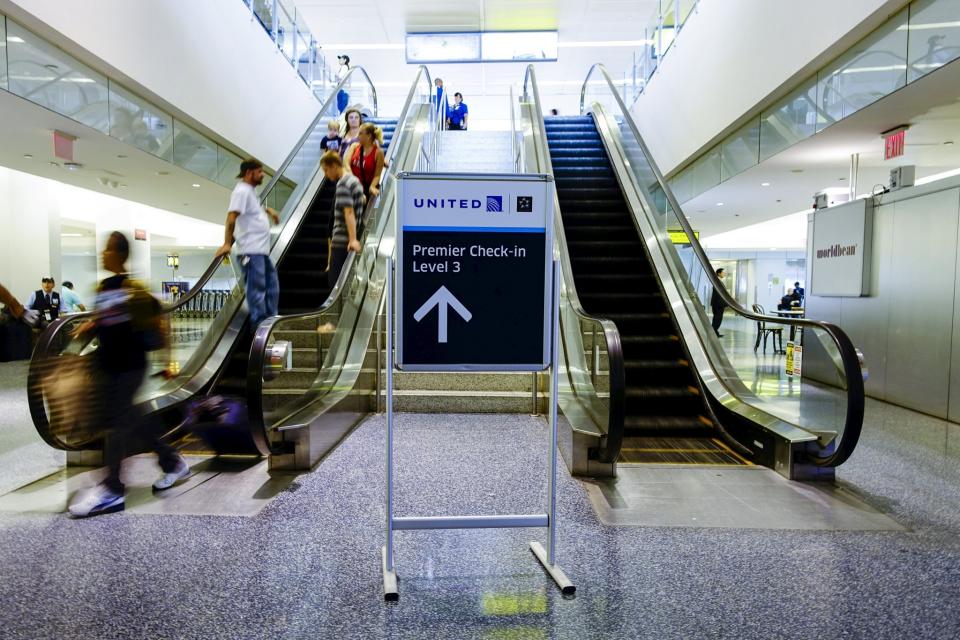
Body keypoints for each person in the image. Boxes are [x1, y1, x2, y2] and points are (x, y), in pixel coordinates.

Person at [67, 231, 191, 518]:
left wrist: (168, 363)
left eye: (108, 250)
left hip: (131, 365)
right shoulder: (103, 287)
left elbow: (160, 324)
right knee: (130, 420)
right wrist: (89, 327)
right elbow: (102, 321)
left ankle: (112, 489)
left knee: (118, 424)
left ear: (120, 255)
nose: (103, 254)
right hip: (107, 365)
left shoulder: (133, 289)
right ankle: (172, 462)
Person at [216, 158, 281, 329]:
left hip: (261, 250)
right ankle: (259, 327)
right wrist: (227, 243)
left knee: (272, 286)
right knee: (257, 289)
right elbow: (231, 219)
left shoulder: (250, 191)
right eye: (259, 172)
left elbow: (250, 214)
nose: (263, 175)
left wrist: (267, 211)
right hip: (250, 251)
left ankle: (269, 322)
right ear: (248, 173)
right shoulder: (241, 191)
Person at [320, 151, 363, 291]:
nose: (326, 174)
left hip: (341, 242)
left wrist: (352, 239)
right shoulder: (354, 180)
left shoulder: (343, 184)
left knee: (335, 285)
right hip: (347, 240)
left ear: (334, 166)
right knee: (346, 285)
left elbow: (348, 212)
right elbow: (362, 200)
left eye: (326, 170)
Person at [345, 123, 385, 201]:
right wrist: (353, 179)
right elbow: (346, 163)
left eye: (360, 133)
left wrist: (372, 186)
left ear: (369, 136)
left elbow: (377, 175)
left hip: (363, 189)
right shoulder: (354, 146)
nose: (357, 136)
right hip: (350, 186)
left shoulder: (378, 152)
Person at [710, 267, 727, 337]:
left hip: (718, 303)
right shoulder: (717, 281)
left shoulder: (718, 281)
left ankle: (714, 332)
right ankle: (713, 332)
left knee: (717, 318)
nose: (724, 274)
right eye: (723, 273)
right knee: (718, 318)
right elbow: (719, 293)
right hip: (718, 304)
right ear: (718, 273)